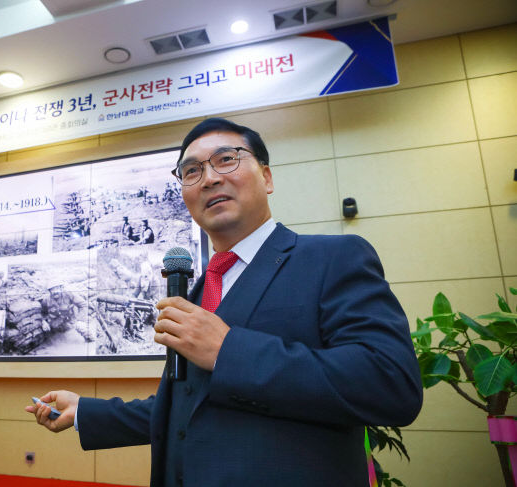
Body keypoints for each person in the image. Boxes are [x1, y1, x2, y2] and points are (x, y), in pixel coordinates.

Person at [27, 118, 422, 486]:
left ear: (266, 177)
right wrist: (86, 412)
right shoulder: (197, 291)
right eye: (192, 171)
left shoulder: (333, 258)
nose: (210, 178)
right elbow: (189, 409)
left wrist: (227, 350)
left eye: (226, 160)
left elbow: (390, 383)